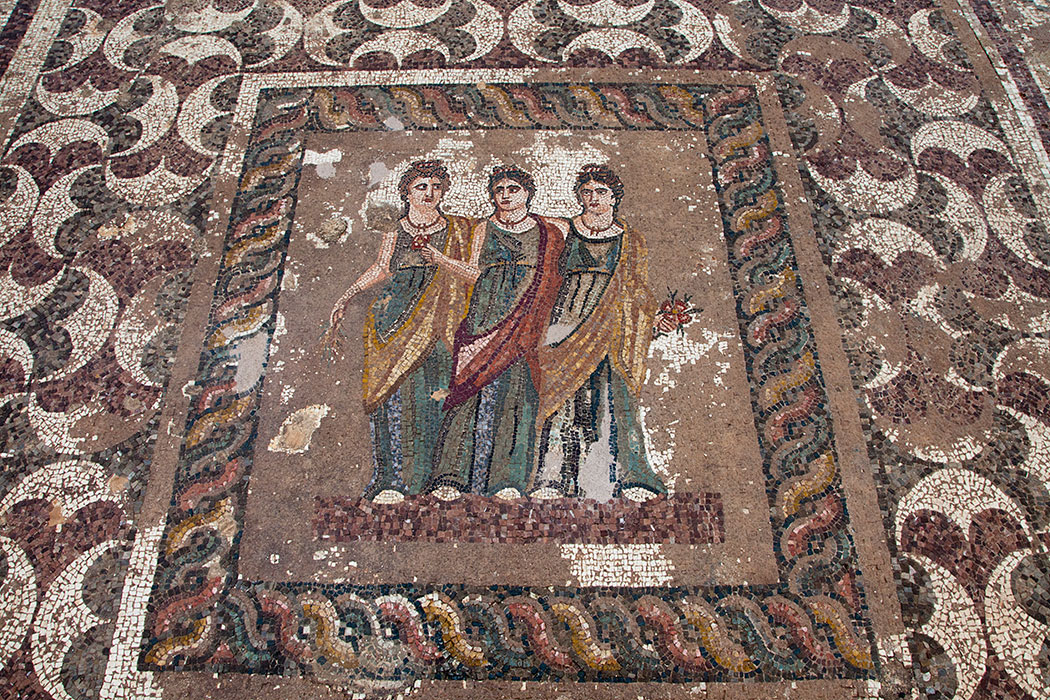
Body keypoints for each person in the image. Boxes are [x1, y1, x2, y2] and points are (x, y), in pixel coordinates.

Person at [321, 160, 477, 503]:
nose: (429, 193)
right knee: (392, 396)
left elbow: (473, 272)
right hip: (394, 318)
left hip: (444, 322)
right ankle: (392, 480)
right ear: (407, 191)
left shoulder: (458, 229)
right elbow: (382, 266)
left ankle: (443, 478)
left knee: (441, 395)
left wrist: (440, 259)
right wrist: (348, 295)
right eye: (422, 186)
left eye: (436, 186)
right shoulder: (397, 228)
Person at [426, 166, 568, 500]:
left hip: (527, 325)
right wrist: (441, 259)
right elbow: (474, 273)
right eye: (499, 189)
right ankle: (450, 477)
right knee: (466, 391)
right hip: (483, 320)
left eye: (513, 188)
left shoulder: (550, 230)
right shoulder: (483, 228)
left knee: (518, 397)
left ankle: (508, 480)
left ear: (527, 192)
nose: (505, 195)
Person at [531, 164, 666, 502]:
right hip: (566, 321)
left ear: (614, 197)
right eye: (587, 192)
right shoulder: (565, 230)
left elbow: (637, 288)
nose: (593, 198)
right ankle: (552, 478)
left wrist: (650, 320)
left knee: (615, 398)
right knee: (562, 398)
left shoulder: (631, 239)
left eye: (601, 192)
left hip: (612, 325)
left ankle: (628, 479)